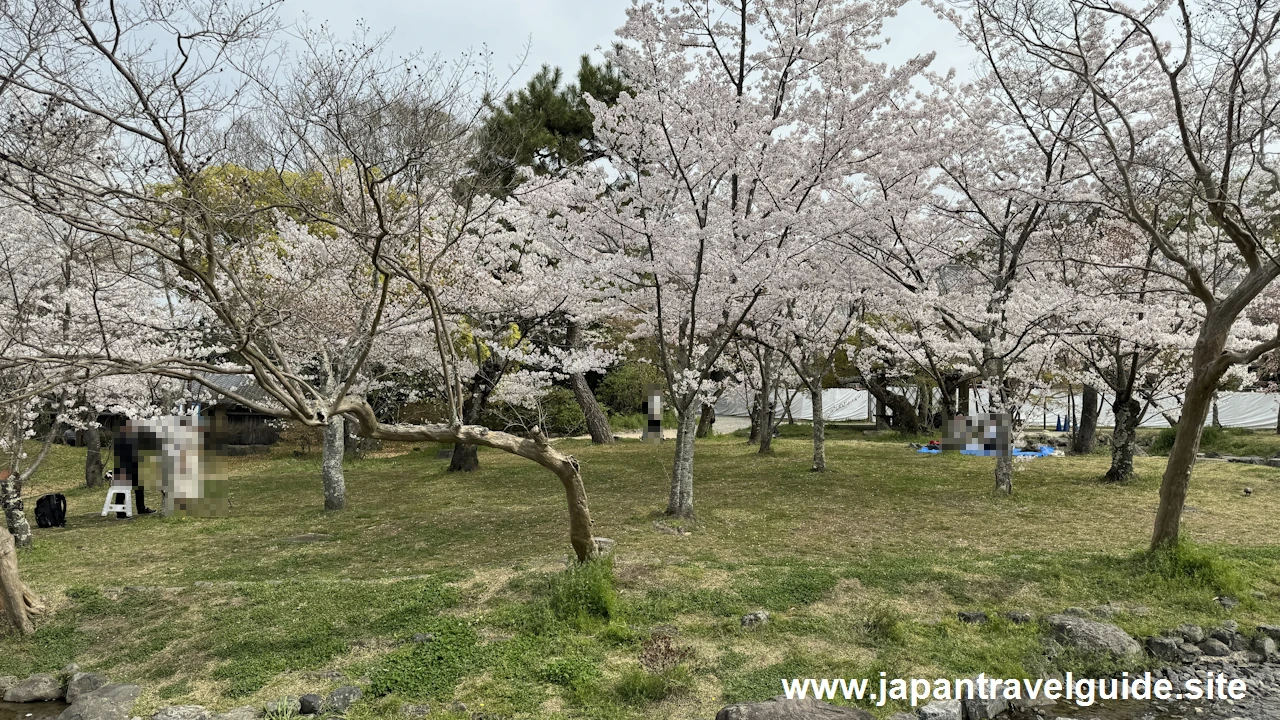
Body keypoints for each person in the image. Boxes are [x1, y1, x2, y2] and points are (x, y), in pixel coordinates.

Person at [111, 422, 157, 517]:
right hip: (124, 468)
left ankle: (141, 508)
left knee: (139, 488)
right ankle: (120, 512)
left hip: (133, 467)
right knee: (122, 490)